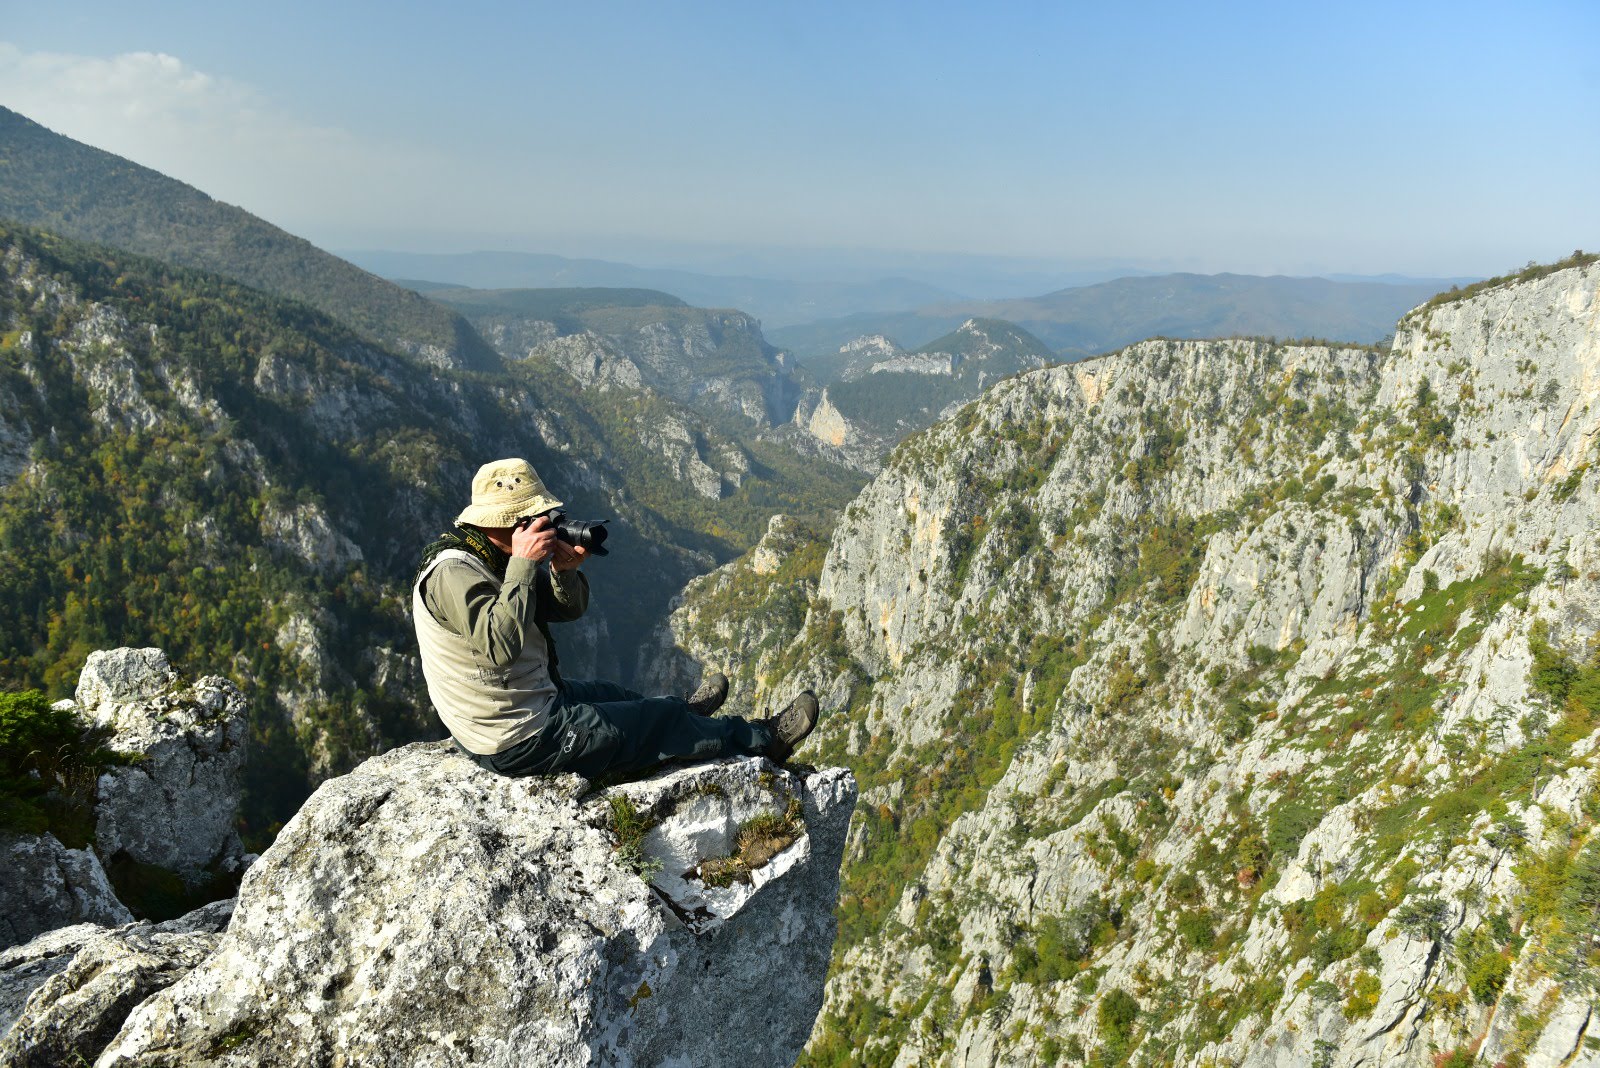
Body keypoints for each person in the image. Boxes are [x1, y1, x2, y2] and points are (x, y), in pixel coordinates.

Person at [412, 457, 817, 781]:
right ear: (508, 521)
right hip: (517, 736)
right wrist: (522, 562)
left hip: (527, 700)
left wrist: (563, 571)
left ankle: (684, 715)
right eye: (532, 518)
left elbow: (566, 611)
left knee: (615, 694)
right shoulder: (454, 572)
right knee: (652, 723)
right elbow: (499, 646)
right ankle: (765, 739)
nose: (543, 526)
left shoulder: (493, 556)